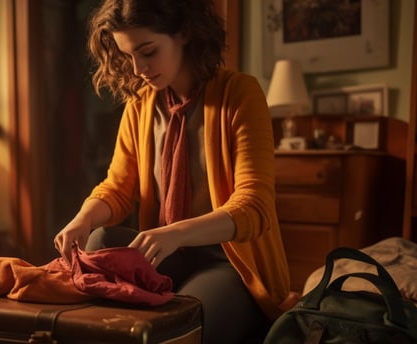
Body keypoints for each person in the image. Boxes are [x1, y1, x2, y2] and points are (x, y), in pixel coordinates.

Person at [53, 0, 293, 342]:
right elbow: (118, 188)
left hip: (227, 259)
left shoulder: (239, 93)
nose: (138, 69)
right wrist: (83, 218)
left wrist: (177, 233)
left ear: (185, 32)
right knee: (99, 237)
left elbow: (254, 206)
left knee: (187, 323)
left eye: (148, 51)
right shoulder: (140, 106)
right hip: (165, 251)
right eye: (128, 55)